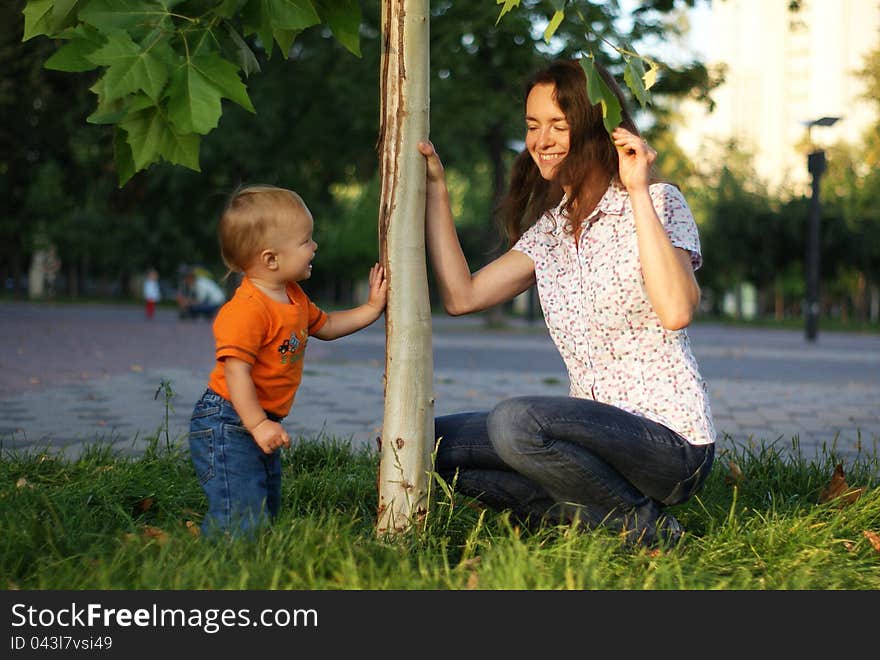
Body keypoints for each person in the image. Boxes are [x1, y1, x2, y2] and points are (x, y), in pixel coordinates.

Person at [418, 59, 716, 548]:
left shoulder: (659, 201)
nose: (542, 140)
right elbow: (461, 296)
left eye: (559, 125)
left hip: (669, 444)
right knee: (422, 442)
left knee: (516, 421)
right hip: (585, 444)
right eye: (533, 126)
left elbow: (677, 309)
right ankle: (583, 515)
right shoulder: (551, 231)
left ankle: (645, 527)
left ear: (596, 129)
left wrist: (638, 190)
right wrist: (437, 190)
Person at [189, 185, 387, 537]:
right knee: (240, 506)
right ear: (270, 259)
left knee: (266, 501)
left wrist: (372, 308)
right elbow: (237, 375)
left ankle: (258, 554)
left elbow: (326, 326)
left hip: (258, 419)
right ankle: (226, 567)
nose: (314, 247)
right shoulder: (247, 310)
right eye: (306, 241)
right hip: (229, 420)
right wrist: (258, 425)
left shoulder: (293, 296)